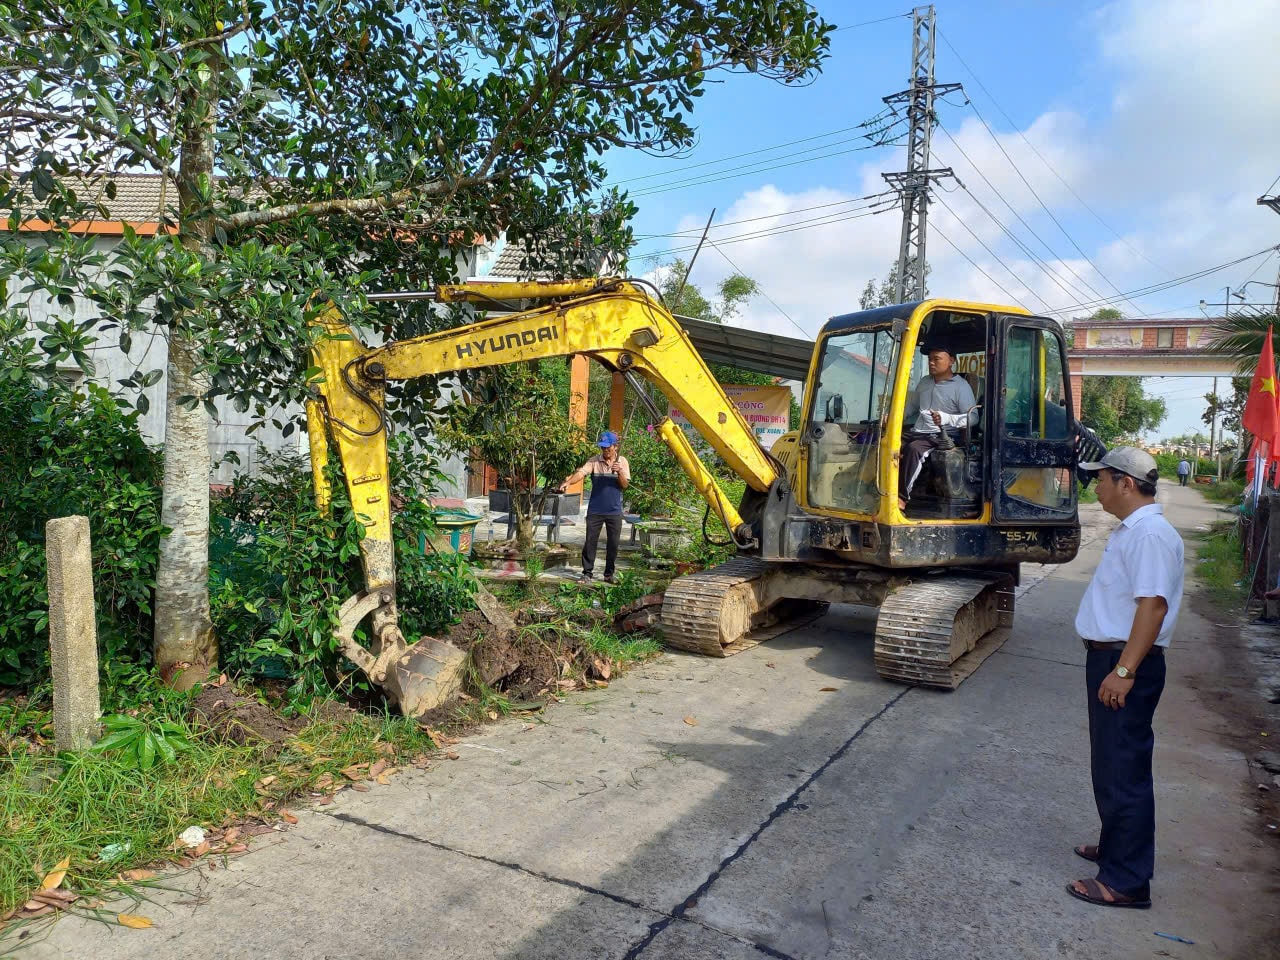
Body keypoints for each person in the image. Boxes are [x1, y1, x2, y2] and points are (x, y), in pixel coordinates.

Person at [1068, 447, 1184, 910]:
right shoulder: (1134, 531)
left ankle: (1127, 880)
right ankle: (1117, 849)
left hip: (1125, 663)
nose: (1095, 487)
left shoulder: (1150, 535)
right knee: (1111, 764)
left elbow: (1152, 607)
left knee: (1125, 771)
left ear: (1126, 483)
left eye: (1102, 479)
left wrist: (1123, 670)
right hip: (1115, 659)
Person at [898, 346, 978, 510]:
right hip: (918, 431)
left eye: (937, 359)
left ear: (951, 361)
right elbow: (911, 406)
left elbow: (973, 418)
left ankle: (901, 497)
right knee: (885, 442)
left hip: (941, 435)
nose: (932, 363)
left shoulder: (960, 387)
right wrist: (894, 416)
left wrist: (947, 418)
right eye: (930, 359)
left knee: (914, 449)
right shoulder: (924, 382)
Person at [560, 430, 630, 583]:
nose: (605, 451)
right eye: (603, 448)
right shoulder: (594, 461)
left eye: (608, 448)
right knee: (590, 541)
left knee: (613, 544)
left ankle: (609, 574)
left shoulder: (622, 461)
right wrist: (568, 482)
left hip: (614, 511)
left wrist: (619, 472)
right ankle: (587, 573)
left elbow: (624, 485)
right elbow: (581, 473)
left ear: (615, 446)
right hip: (595, 510)